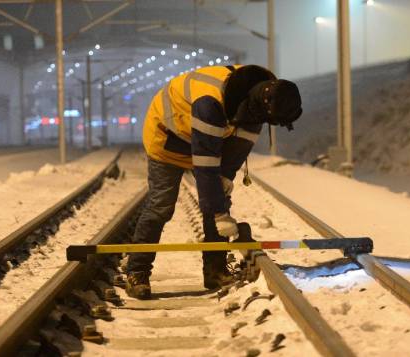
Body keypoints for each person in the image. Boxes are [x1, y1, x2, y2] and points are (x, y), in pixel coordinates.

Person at [126, 64, 302, 299]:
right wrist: (219, 214)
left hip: (202, 137)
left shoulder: (257, 100)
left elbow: (237, 149)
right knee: (162, 205)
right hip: (167, 138)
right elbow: (206, 164)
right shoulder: (210, 102)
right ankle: (137, 272)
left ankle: (215, 271)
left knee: (217, 195)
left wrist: (226, 177)